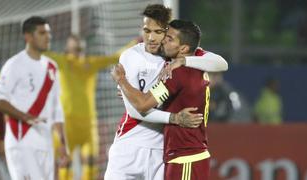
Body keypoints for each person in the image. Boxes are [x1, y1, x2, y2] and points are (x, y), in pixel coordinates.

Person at [105, 4, 228, 180]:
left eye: (158, 32)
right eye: (147, 31)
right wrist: (174, 118)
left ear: (167, 32)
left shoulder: (175, 53)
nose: (151, 38)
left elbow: (221, 63)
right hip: (129, 143)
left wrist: (184, 61)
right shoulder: (131, 56)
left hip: (161, 151)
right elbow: (135, 109)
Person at [45, 34, 136, 179]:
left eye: (80, 46)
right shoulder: (62, 62)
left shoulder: (90, 63)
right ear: (67, 48)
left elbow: (115, 57)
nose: (78, 49)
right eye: (75, 46)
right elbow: (44, 53)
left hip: (89, 124)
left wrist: (135, 42)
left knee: (92, 162)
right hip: (67, 123)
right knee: (65, 163)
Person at [0, 16, 68, 179]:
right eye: (42, 33)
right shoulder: (14, 64)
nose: (48, 37)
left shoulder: (52, 67)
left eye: (48, 32)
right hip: (21, 140)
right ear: (28, 37)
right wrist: (25, 117)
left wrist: (63, 144)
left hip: (45, 142)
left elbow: (56, 108)